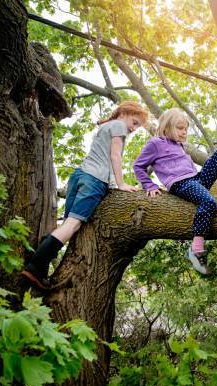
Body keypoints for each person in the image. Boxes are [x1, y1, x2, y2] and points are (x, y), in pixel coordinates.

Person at [22, 101, 148, 289]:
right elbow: (115, 156)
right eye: (135, 122)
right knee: (73, 225)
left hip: (79, 175)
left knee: (67, 225)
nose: (134, 128)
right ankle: (35, 266)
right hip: (94, 180)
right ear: (124, 113)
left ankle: (39, 266)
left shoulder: (105, 126)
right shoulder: (119, 126)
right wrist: (120, 184)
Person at [133, 108, 217, 277]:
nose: (184, 132)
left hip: (195, 179)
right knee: (209, 202)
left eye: (185, 129)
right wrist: (149, 185)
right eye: (180, 128)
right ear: (166, 127)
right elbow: (138, 166)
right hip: (180, 184)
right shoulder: (155, 144)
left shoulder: (179, 145)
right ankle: (196, 249)